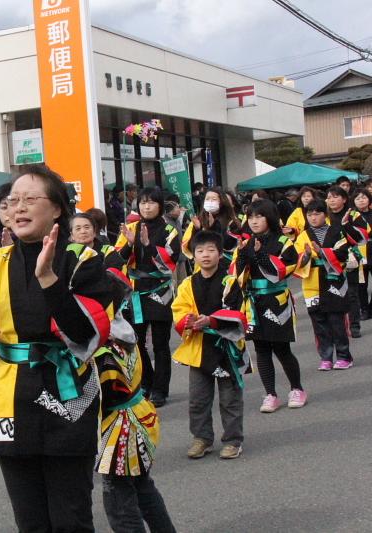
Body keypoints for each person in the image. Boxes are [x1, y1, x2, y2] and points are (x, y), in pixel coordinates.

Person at [0, 164, 114, 532]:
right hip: (9, 395)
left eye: (30, 199)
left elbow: (87, 332)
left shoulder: (83, 260)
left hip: (69, 394)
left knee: (71, 518)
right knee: (29, 518)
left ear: (56, 209)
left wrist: (49, 280)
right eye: (12, 200)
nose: (18, 207)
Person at [97, 274, 175, 533]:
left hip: (118, 429)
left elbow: (106, 394)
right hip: (137, 416)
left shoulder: (103, 345)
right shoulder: (123, 329)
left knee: (119, 499)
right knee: (142, 486)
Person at [172, 231, 249, 460]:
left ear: (219, 253)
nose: (205, 255)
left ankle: (233, 440)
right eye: (200, 251)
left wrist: (212, 321)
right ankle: (202, 438)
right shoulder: (187, 283)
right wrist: (189, 321)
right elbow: (179, 309)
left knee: (229, 398)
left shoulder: (230, 281)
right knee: (198, 399)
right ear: (193, 255)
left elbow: (240, 313)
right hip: (198, 347)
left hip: (227, 348)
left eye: (211, 250)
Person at [232, 199, 305, 413]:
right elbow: (237, 276)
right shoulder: (245, 243)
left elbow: (283, 271)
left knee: (282, 348)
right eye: (251, 217)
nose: (254, 221)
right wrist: (242, 257)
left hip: (276, 299)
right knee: (261, 349)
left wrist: (261, 254)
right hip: (253, 302)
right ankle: (271, 394)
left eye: (259, 216)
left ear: (270, 217)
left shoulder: (284, 241)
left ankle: (297, 388)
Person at [113, 187, 181, 407]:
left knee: (161, 345)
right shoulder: (130, 227)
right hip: (135, 292)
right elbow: (116, 260)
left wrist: (148, 246)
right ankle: (146, 383)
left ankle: (161, 390)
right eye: (143, 203)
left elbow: (171, 260)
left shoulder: (169, 230)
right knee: (137, 343)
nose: (146, 207)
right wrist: (131, 243)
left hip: (160, 291)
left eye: (151, 202)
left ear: (160, 205)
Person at [294, 199, 353, 370]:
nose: (313, 217)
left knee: (337, 321)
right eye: (310, 214)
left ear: (325, 215)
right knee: (319, 322)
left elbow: (342, 253)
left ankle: (344, 356)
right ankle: (326, 356)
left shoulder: (336, 230)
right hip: (312, 283)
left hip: (333, 281)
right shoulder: (303, 235)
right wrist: (305, 257)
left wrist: (322, 252)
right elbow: (296, 258)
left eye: (317, 213)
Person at [326, 186, 369, 338]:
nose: (332, 200)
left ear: (344, 199)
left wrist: (347, 225)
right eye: (329, 197)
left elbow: (363, 236)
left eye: (335, 197)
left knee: (351, 293)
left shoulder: (353, 214)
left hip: (350, 258)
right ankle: (338, 326)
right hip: (330, 258)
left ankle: (354, 325)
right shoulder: (324, 216)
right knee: (333, 293)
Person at [182, 187, 240, 266]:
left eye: (214, 199)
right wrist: (197, 230)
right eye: (207, 199)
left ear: (221, 202)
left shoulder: (232, 221)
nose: (210, 202)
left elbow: (229, 245)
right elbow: (191, 248)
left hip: (224, 267)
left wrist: (214, 227)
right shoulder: (198, 221)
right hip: (202, 268)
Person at [350, 188, 372, 320]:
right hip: (358, 253)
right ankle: (364, 309)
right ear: (353, 201)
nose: (361, 200)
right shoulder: (350, 216)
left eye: (363, 197)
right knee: (361, 285)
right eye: (357, 198)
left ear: (369, 199)